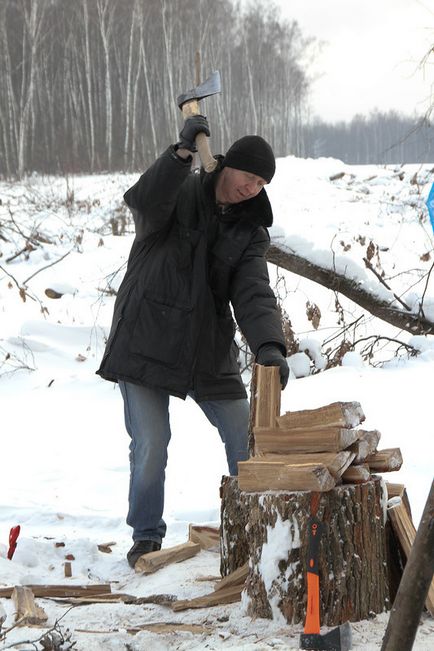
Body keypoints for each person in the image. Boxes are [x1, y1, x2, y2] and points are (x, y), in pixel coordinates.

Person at [96, 115, 289, 568]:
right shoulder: (179, 191)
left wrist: (269, 346)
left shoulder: (250, 231)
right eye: (249, 175)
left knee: (247, 434)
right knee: (152, 443)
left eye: (262, 182)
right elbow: (143, 202)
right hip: (146, 333)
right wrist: (179, 153)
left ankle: (258, 530)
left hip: (205, 343)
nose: (252, 187)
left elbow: (253, 292)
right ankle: (146, 535)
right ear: (229, 165)